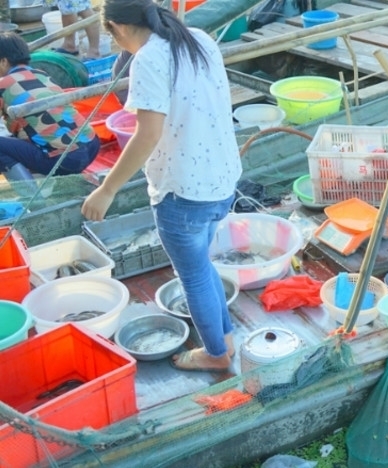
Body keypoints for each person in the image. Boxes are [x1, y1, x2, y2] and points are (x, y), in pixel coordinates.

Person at [81, 0, 243, 372]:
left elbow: (147, 134)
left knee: (193, 275)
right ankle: (226, 338)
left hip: (183, 190)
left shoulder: (149, 59)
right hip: (221, 180)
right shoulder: (198, 38)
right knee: (202, 266)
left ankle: (216, 354)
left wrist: (107, 188)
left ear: (118, 29)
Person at [0, 31, 100, 196]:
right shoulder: (41, 74)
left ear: (3, 61)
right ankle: (64, 185)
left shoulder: (3, 84)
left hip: (64, 158)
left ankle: (35, 200)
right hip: (91, 145)